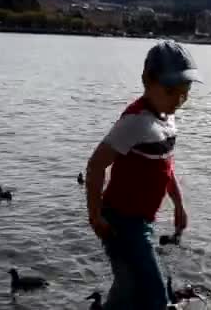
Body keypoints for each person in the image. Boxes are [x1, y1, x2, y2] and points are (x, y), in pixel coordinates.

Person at [85, 41, 202, 309]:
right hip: (121, 220)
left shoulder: (167, 118)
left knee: (127, 284)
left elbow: (166, 167)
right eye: (171, 90)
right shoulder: (136, 121)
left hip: (142, 220)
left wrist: (179, 206)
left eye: (186, 91)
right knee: (154, 291)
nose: (179, 99)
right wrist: (95, 214)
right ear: (147, 81)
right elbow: (95, 165)